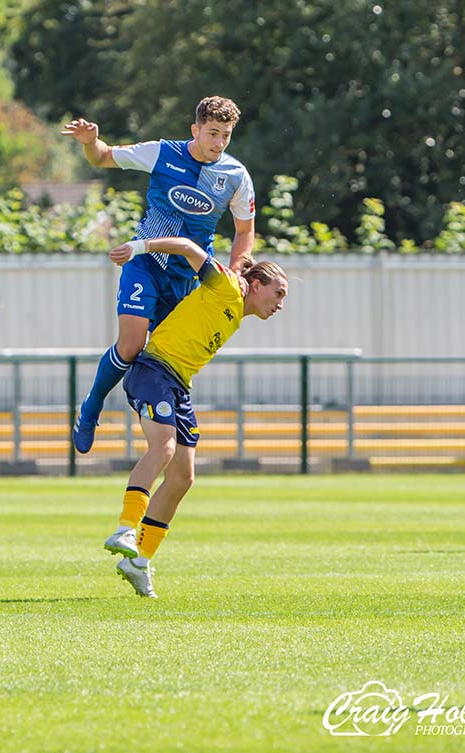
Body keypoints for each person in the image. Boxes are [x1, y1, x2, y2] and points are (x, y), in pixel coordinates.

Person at [61, 96, 257, 454]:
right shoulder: (161, 153)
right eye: (212, 133)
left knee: (169, 358)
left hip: (187, 278)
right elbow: (102, 157)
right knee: (133, 345)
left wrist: (237, 268)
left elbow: (244, 231)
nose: (218, 143)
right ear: (195, 129)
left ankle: (166, 430)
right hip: (146, 263)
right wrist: (90, 142)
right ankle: (90, 408)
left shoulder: (236, 176)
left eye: (226, 135)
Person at [100, 236, 287, 598]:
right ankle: (124, 528)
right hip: (153, 370)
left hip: (177, 385)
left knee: (183, 478)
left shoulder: (237, 310)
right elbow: (187, 246)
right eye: (279, 293)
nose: (281, 304)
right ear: (257, 284)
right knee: (164, 447)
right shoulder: (227, 284)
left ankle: (138, 561)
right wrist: (138, 249)